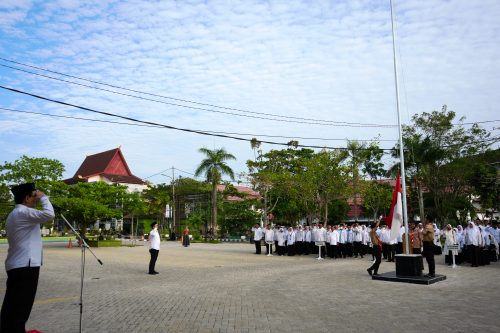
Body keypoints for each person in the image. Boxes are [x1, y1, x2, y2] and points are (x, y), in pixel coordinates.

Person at [0, 183, 55, 333]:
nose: (36, 199)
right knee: (21, 309)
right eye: (34, 196)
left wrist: (39, 197)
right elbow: (49, 214)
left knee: (12, 307)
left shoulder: (16, 213)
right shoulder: (23, 213)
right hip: (26, 266)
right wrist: (44, 197)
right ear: (26, 198)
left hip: (18, 265)